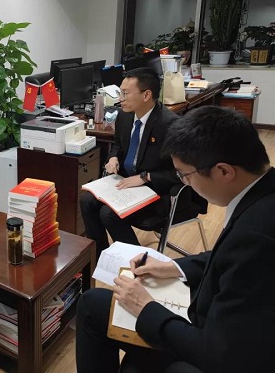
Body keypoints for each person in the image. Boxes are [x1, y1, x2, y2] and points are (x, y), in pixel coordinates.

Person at [76, 106, 275, 373]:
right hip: (217, 323)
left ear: (224, 172)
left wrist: (145, 307)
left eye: (185, 175)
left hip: (212, 347)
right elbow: (230, 259)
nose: (185, 182)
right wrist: (172, 267)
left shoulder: (257, 234)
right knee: (93, 303)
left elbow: (220, 353)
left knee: (98, 312)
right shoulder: (262, 194)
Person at [80, 67, 179, 258]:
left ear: (146, 95)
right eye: (120, 93)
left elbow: (181, 173)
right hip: (125, 183)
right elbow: (118, 144)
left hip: (155, 189)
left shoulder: (170, 125)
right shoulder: (125, 115)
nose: (120, 99)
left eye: (125, 94)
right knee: (86, 200)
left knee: (108, 214)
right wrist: (113, 157)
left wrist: (145, 177)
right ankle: (100, 257)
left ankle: (139, 263)